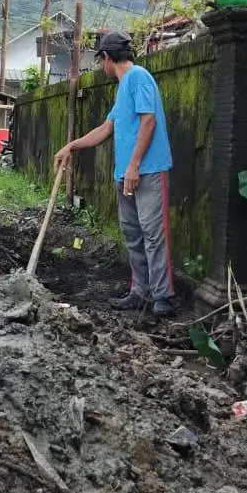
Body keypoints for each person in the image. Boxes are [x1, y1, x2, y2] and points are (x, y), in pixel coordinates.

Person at [53, 31, 177, 316]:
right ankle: (140, 291)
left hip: (148, 170)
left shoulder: (139, 77)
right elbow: (106, 129)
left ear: (107, 57)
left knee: (153, 233)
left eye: (101, 61)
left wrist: (134, 165)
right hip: (126, 173)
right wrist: (71, 146)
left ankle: (162, 297)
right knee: (133, 233)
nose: (102, 67)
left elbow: (149, 121)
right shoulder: (123, 89)